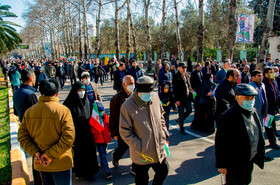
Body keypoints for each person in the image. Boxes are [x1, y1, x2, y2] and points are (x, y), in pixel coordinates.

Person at [18, 79, 75, 185]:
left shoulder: (29, 112)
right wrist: (49, 155)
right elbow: (69, 137)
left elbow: (22, 137)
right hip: (60, 162)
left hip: (41, 162)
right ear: (57, 93)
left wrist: (36, 153)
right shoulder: (63, 111)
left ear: (41, 93)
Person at [119, 76, 169, 185]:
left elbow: (161, 116)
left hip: (158, 147)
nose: (150, 94)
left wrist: (164, 132)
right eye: (147, 92)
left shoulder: (155, 97)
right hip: (142, 153)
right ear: (139, 91)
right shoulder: (127, 106)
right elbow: (124, 131)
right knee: (142, 180)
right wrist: (139, 146)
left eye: (151, 91)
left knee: (164, 170)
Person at [215, 84, 265, 185]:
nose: (250, 100)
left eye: (252, 98)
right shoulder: (227, 117)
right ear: (237, 98)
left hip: (249, 158)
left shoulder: (252, 111)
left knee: (246, 180)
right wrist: (221, 164)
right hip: (235, 162)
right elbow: (220, 143)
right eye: (247, 98)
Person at [63, 81, 99, 180]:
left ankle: (90, 172)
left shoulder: (87, 101)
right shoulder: (68, 104)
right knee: (79, 155)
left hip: (87, 134)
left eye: (83, 90)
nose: (82, 92)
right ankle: (79, 172)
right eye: (79, 90)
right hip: (76, 135)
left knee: (89, 154)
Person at [110, 75, 136, 173]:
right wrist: (114, 133)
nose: (132, 85)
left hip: (135, 128)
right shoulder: (116, 99)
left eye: (133, 83)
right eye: (130, 83)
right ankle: (115, 156)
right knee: (123, 147)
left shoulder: (136, 96)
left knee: (135, 148)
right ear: (123, 84)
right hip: (123, 129)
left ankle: (135, 168)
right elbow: (113, 117)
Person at [89, 101, 112, 179]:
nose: (101, 112)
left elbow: (110, 125)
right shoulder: (93, 120)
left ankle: (103, 164)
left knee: (104, 153)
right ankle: (107, 171)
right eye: (99, 111)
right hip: (99, 141)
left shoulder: (105, 117)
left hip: (106, 140)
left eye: (102, 111)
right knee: (102, 155)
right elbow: (92, 131)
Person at [262, 67, 280, 149]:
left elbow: (277, 92)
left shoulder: (274, 81)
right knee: (268, 126)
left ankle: (274, 136)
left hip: (274, 108)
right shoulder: (264, 84)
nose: (272, 73)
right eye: (270, 72)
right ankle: (272, 142)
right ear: (266, 74)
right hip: (268, 109)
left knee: (272, 124)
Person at [173, 62, 193, 135]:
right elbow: (175, 89)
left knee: (189, 110)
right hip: (180, 98)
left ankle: (179, 120)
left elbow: (189, 84)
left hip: (187, 96)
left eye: (185, 67)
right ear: (179, 68)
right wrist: (176, 100)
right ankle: (181, 128)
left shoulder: (187, 75)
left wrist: (191, 92)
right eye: (183, 67)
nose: (184, 69)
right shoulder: (176, 76)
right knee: (181, 113)